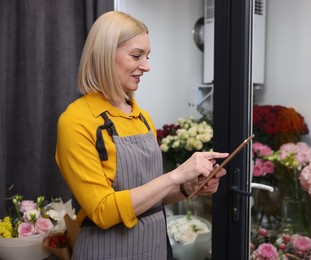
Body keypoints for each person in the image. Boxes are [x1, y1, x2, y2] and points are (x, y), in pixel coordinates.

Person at [55, 11, 229, 260]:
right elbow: (102, 211)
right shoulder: (76, 121)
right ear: (105, 55)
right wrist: (175, 176)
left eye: (147, 57)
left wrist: (188, 186)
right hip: (107, 252)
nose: (146, 66)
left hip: (156, 247)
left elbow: (150, 195)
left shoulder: (142, 117)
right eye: (136, 56)